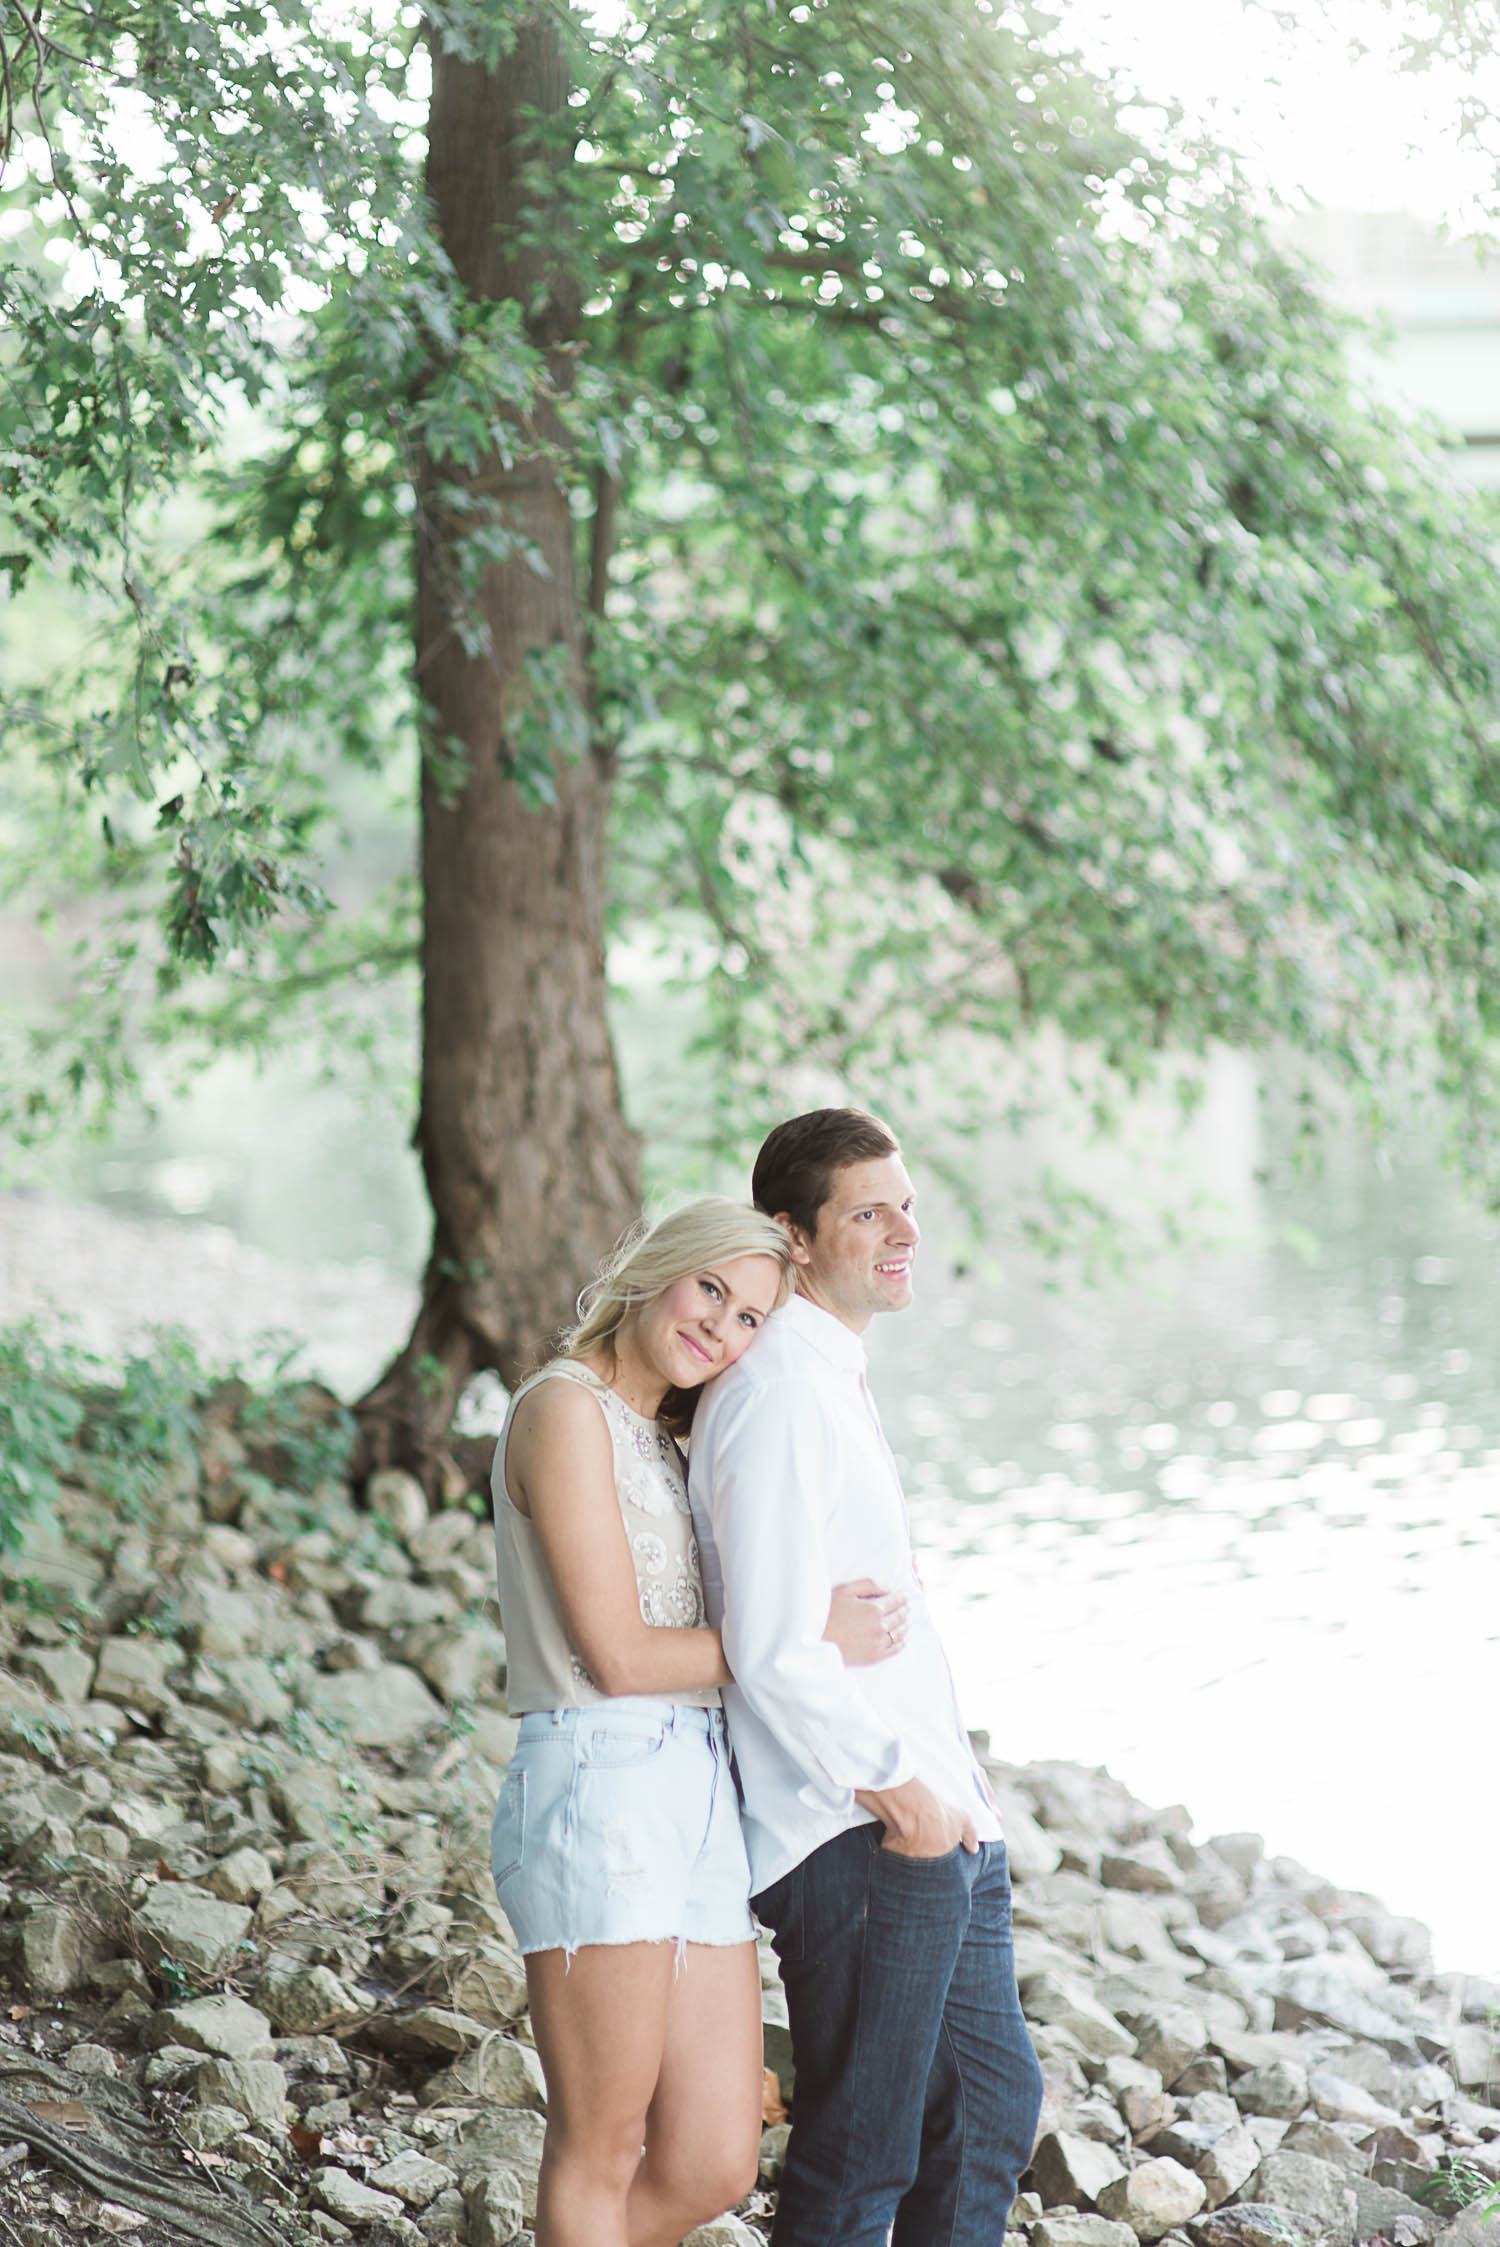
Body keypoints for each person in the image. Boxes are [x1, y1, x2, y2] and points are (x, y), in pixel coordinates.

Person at [488, 1196, 910, 2247]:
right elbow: (621, 1657)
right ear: (652, 1266)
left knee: (714, 2157)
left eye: (751, 1317)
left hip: (698, 1788)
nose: (720, 1328)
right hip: (600, 1773)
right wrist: (802, 1640)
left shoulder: (668, 1435)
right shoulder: (563, 1409)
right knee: (604, 2142)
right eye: (709, 1289)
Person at [688, 1112, 1045, 2247]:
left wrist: (953, 1800)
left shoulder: (827, 1374)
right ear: (792, 1236)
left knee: (989, 2112)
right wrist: (904, 1795)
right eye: (868, 1213)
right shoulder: (781, 1395)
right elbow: (776, 1645)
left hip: (930, 1819)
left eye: (905, 1203)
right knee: (865, 2150)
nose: (905, 1231)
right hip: (853, 1831)